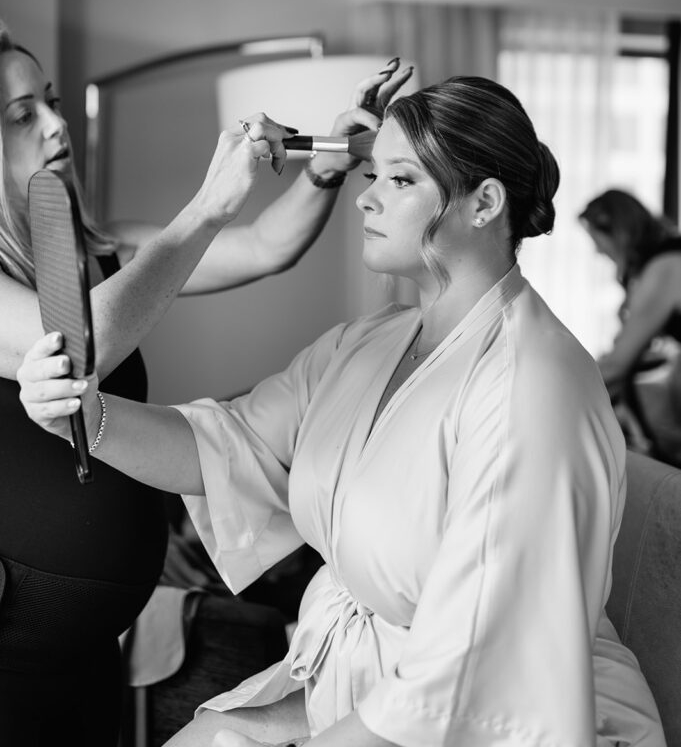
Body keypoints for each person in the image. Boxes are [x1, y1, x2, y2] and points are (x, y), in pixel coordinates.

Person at [19, 76, 665, 747]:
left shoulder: (532, 385)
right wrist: (88, 415)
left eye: (401, 179)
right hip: (367, 683)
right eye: (371, 173)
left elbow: (472, 672)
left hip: (490, 715)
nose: (365, 196)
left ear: (485, 203)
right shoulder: (370, 342)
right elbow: (233, 443)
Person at [0, 22, 411, 747]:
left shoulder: (101, 249)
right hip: (15, 654)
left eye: (52, 100)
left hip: (90, 648)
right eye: (22, 114)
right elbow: (72, 343)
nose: (56, 123)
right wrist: (208, 204)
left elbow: (266, 247)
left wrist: (324, 165)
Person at [579, 188, 681, 462]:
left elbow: (619, 363)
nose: (598, 251)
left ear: (618, 232)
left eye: (598, 240)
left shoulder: (665, 267)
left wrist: (566, 389)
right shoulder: (660, 263)